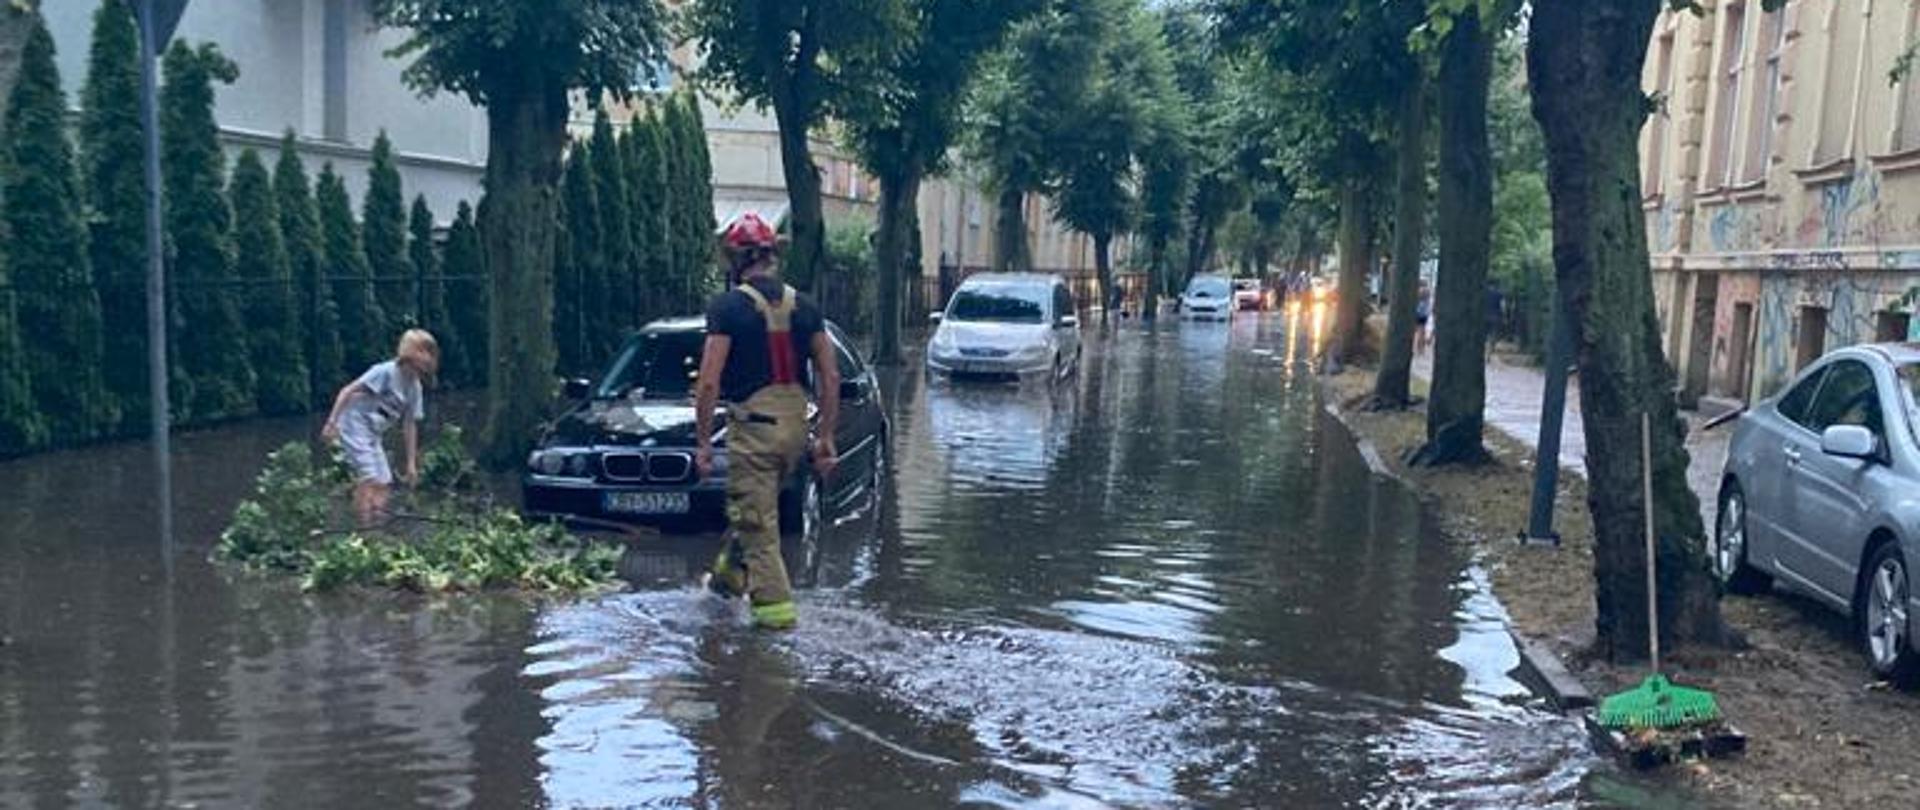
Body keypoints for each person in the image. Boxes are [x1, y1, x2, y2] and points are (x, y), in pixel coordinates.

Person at [695, 213, 841, 631]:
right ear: (772, 256)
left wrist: (703, 443)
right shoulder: (806, 307)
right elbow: (830, 376)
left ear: (737, 259)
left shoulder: (727, 308)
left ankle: (775, 634)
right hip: (795, 431)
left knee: (758, 531)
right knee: (754, 514)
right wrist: (825, 436)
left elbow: (708, 382)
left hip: (754, 434)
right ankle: (722, 589)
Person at [323, 329, 439, 526]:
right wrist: (331, 423)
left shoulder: (414, 387)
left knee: (384, 481)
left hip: (372, 433)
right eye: (422, 353)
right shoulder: (384, 372)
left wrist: (411, 463)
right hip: (354, 425)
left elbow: (410, 424)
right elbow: (347, 390)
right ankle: (363, 527)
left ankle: (377, 522)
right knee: (370, 477)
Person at [1414, 281, 1433, 354]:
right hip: (1424, 314)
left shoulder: (1418, 292)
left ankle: (1418, 348)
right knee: (1422, 331)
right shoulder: (1428, 292)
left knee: (1418, 332)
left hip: (1417, 313)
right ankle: (1421, 349)